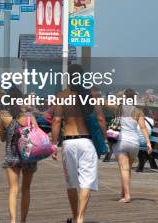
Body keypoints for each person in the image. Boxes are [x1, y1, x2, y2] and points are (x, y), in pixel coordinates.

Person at [51, 64, 106, 223]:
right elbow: (101, 119)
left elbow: (56, 121)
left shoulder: (62, 95)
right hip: (86, 141)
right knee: (86, 182)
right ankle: (80, 218)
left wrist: (54, 144)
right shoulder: (91, 95)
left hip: (68, 142)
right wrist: (106, 139)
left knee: (72, 183)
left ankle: (75, 217)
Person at [0, 88, 38, 223]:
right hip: (28, 155)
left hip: (12, 154)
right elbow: (37, 135)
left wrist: (5, 129)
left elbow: (2, 138)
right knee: (26, 189)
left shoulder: (4, 116)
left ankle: (13, 220)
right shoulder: (29, 116)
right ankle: (23, 221)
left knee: (13, 189)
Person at [108, 89, 152, 203]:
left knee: (124, 169)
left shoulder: (118, 108)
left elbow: (104, 103)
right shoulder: (138, 111)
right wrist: (148, 142)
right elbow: (143, 128)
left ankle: (127, 196)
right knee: (128, 170)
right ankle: (124, 193)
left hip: (121, 142)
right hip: (134, 143)